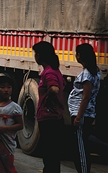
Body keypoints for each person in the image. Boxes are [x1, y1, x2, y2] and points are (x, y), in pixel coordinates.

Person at [32, 41, 66, 173]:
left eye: (35, 54)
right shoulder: (55, 71)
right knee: (53, 155)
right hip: (55, 117)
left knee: (49, 154)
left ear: (39, 56)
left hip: (49, 118)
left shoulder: (49, 73)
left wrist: (46, 101)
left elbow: (54, 89)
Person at [68, 43, 101, 173]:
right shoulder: (94, 72)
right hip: (84, 113)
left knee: (80, 149)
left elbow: (85, 97)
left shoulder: (87, 75)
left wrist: (78, 116)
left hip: (82, 114)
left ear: (80, 56)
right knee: (79, 146)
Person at [0, 75, 23, 173]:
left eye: (9, 87)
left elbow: (20, 125)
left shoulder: (14, 107)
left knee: (9, 168)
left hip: (7, 142)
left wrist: (6, 128)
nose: (6, 90)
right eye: (2, 87)